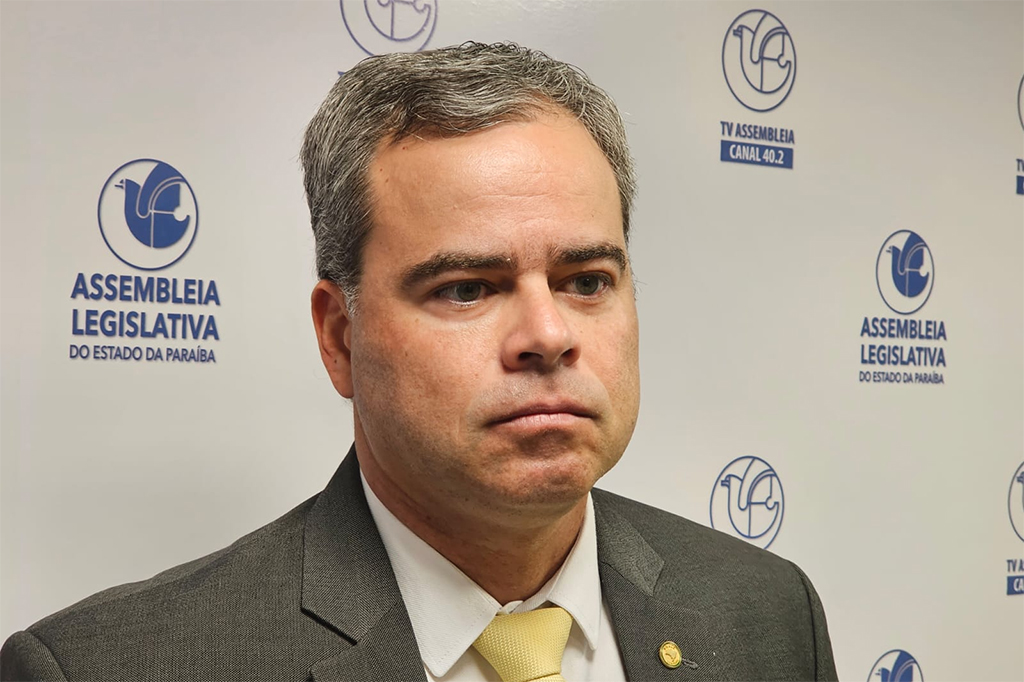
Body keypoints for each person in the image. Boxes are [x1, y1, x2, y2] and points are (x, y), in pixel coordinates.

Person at [1, 42, 837, 682]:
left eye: (586, 280)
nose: (548, 334)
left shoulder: (766, 614)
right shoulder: (110, 667)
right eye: (467, 289)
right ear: (340, 337)